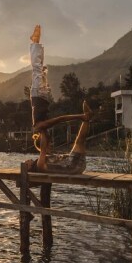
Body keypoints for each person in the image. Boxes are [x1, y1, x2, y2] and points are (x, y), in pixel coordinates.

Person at [27, 24, 94, 174]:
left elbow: (59, 121)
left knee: (39, 68)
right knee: (39, 69)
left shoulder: (39, 127)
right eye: (28, 163)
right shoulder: (41, 130)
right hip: (41, 96)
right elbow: (59, 121)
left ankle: (35, 42)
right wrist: (80, 116)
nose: (28, 161)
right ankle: (35, 42)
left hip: (38, 95)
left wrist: (80, 117)